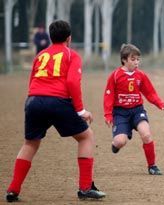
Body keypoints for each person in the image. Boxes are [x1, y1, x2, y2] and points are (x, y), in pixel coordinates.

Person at [5, 20, 106, 202]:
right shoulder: (71, 55)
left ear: (50, 37)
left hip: (33, 100)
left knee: (30, 143)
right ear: (69, 38)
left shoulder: (41, 55)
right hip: (57, 101)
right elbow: (72, 83)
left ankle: (13, 189)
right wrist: (81, 110)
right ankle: (85, 188)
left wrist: (33, 102)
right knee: (86, 137)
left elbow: (32, 81)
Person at [103, 43, 164, 175]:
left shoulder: (141, 75)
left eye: (138, 59)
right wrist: (108, 115)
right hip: (120, 113)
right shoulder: (115, 76)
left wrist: (161, 104)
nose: (136, 62)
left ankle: (152, 166)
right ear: (124, 60)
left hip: (137, 111)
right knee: (120, 141)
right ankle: (117, 143)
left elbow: (150, 93)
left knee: (146, 134)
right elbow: (108, 96)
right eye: (133, 59)